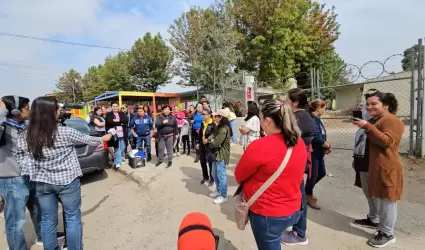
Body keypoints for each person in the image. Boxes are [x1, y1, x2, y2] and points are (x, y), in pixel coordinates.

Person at [15, 96, 112, 250]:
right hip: (68, 182)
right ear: (51, 112)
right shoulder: (65, 132)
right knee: (72, 218)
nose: (61, 111)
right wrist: (105, 138)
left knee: (47, 220)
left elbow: (19, 156)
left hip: (43, 184)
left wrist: (32, 171)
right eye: (58, 109)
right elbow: (88, 139)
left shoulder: (26, 135)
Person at [235, 100, 307, 250]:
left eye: (261, 119)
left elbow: (239, 175)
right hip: (294, 208)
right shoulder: (299, 142)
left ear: (267, 120)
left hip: (268, 212)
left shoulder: (260, 146)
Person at [352, 90, 404, 248]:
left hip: (386, 167)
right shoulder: (377, 119)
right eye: (367, 104)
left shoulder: (391, 120)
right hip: (373, 165)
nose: (369, 107)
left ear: (386, 105)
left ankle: (388, 233)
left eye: (374, 104)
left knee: (386, 200)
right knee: (374, 196)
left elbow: (387, 142)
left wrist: (367, 126)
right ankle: (375, 222)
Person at [0, 96, 46, 249]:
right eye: (26, 108)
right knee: (15, 220)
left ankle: (42, 236)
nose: (29, 110)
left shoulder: (24, 124)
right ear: (14, 111)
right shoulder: (4, 127)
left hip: (29, 174)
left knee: (37, 209)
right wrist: (1, 111)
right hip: (12, 179)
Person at [281, 88, 315, 246]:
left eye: (287, 100)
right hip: (295, 162)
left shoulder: (300, 117)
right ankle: (295, 226)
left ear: (294, 102)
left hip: (296, 163)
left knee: (300, 198)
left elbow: (289, 139)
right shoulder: (299, 116)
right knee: (295, 196)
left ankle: (300, 233)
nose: (285, 102)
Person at [305, 99, 330, 210]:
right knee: (313, 175)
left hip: (319, 151)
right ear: (318, 108)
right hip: (313, 151)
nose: (324, 110)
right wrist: (326, 144)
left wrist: (326, 146)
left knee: (322, 173)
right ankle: (307, 195)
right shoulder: (311, 119)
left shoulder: (317, 119)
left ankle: (307, 192)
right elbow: (315, 136)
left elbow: (321, 133)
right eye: (324, 108)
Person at [207, 109, 231, 204]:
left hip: (221, 154)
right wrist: (211, 139)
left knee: (221, 176)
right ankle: (218, 190)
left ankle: (223, 195)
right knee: (214, 174)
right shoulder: (218, 127)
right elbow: (211, 136)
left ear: (221, 117)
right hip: (216, 154)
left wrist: (209, 141)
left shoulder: (223, 129)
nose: (214, 117)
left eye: (216, 116)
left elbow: (215, 143)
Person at [105, 102, 129, 170]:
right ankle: (117, 162)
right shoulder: (109, 114)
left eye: (116, 106)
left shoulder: (121, 113)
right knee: (117, 148)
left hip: (122, 134)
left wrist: (117, 121)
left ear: (118, 107)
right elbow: (109, 122)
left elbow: (126, 120)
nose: (115, 107)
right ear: (111, 107)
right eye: (114, 106)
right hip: (114, 134)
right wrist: (121, 122)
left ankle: (119, 159)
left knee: (123, 147)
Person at [197, 109, 216, 186]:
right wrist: (198, 142)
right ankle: (205, 177)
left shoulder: (213, 124)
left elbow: (214, 135)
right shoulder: (202, 123)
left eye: (204, 114)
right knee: (202, 161)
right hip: (202, 144)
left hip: (209, 145)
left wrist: (208, 140)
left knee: (210, 162)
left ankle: (212, 178)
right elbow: (200, 134)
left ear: (209, 115)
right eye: (203, 114)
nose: (203, 116)